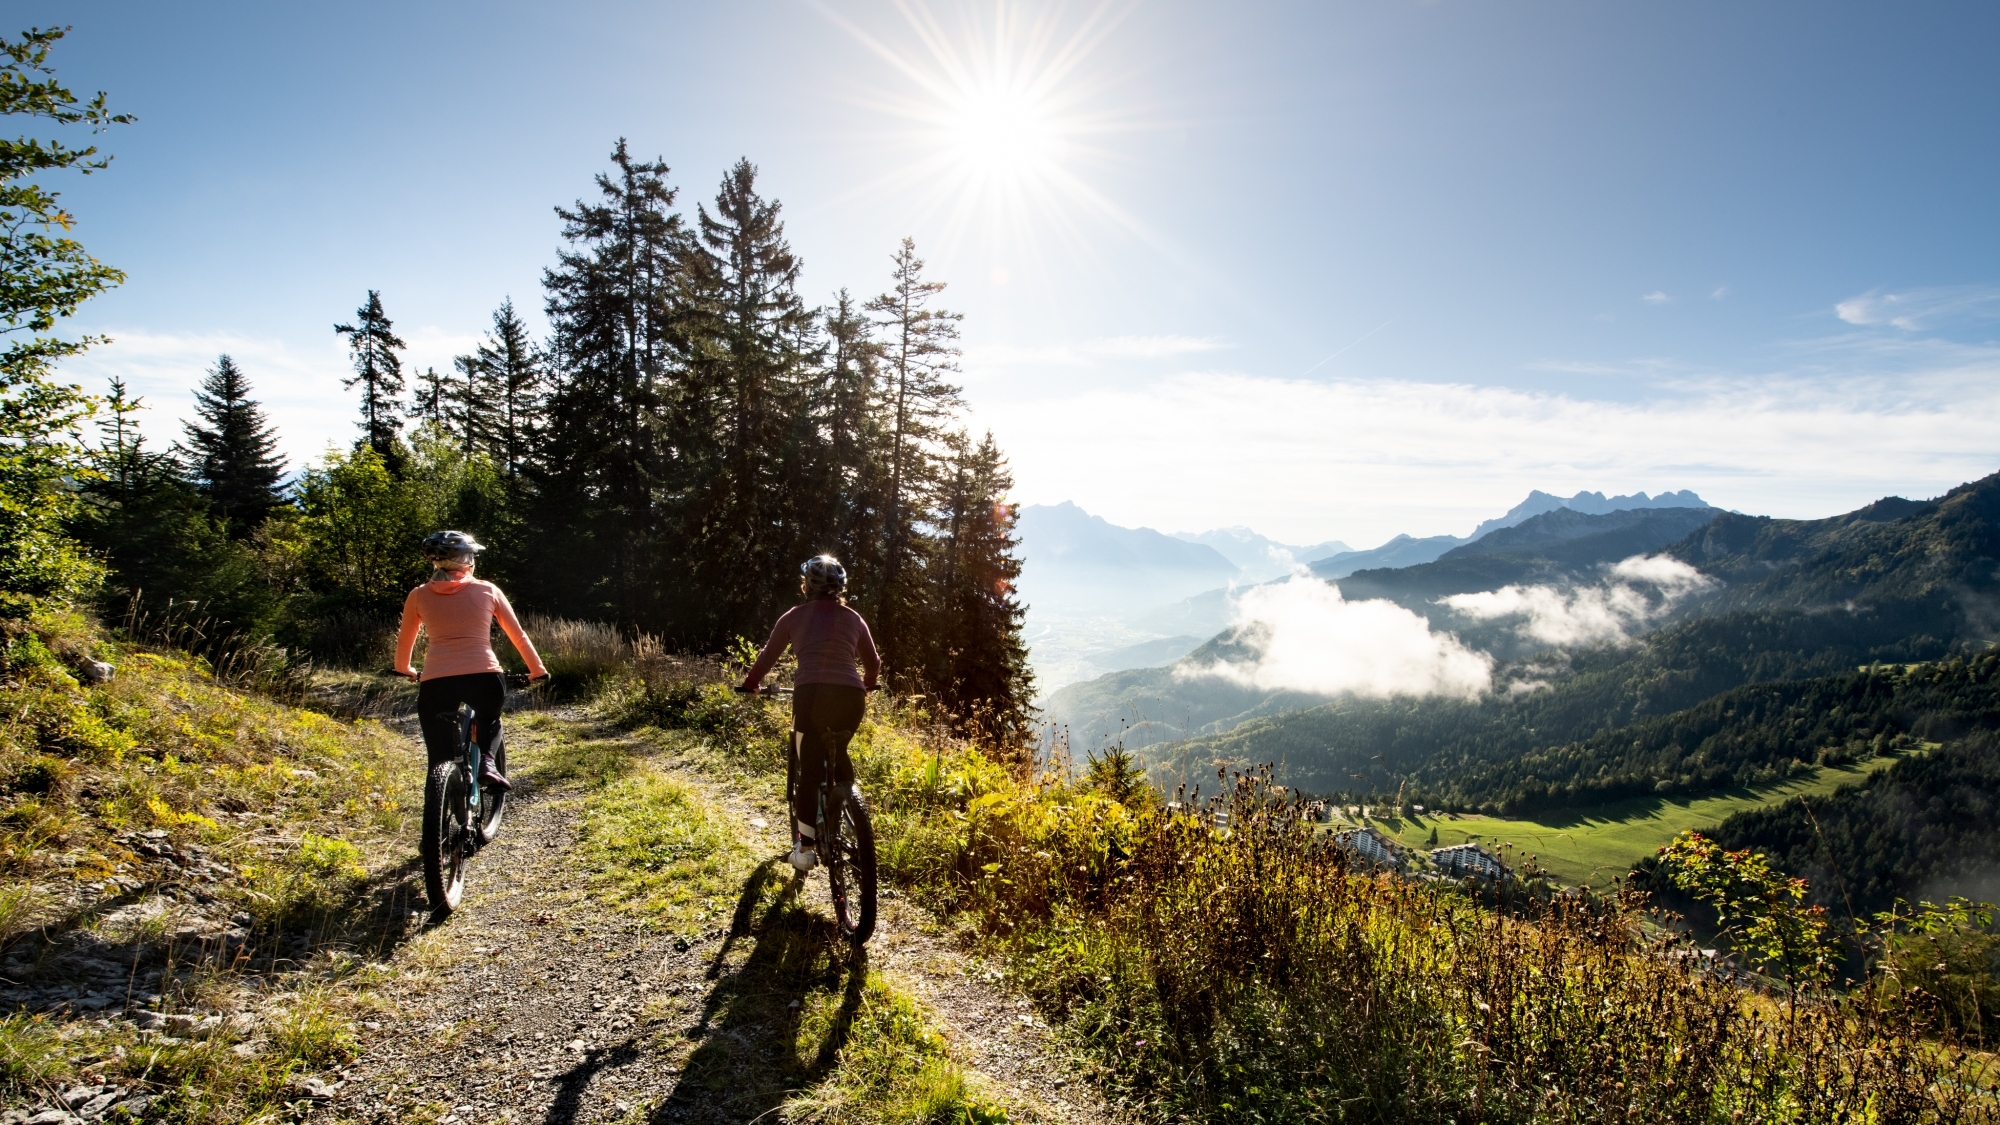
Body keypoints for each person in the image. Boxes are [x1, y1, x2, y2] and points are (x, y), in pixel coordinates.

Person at [739, 554, 882, 874]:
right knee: (840, 749)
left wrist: (751, 685)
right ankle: (847, 809)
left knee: (811, 770)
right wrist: (867, 685)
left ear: (806, 585)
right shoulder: (854, 618)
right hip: (851, 698)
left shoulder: (793, 616)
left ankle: (805, 850)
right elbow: (873, 664)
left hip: (811, 697)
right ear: (840, 587)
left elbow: (767, 657)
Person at [394, 530, 549, 792]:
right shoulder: (488, 589)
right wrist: (537, 670)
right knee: (489, 716)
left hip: (436, 680)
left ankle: (441, 801)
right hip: (484, 676)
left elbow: (405, 641)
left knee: (439, 756)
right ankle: (487, 764)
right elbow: (517, 635)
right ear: (467, 559)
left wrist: (404, 669)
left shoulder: (418, 595)